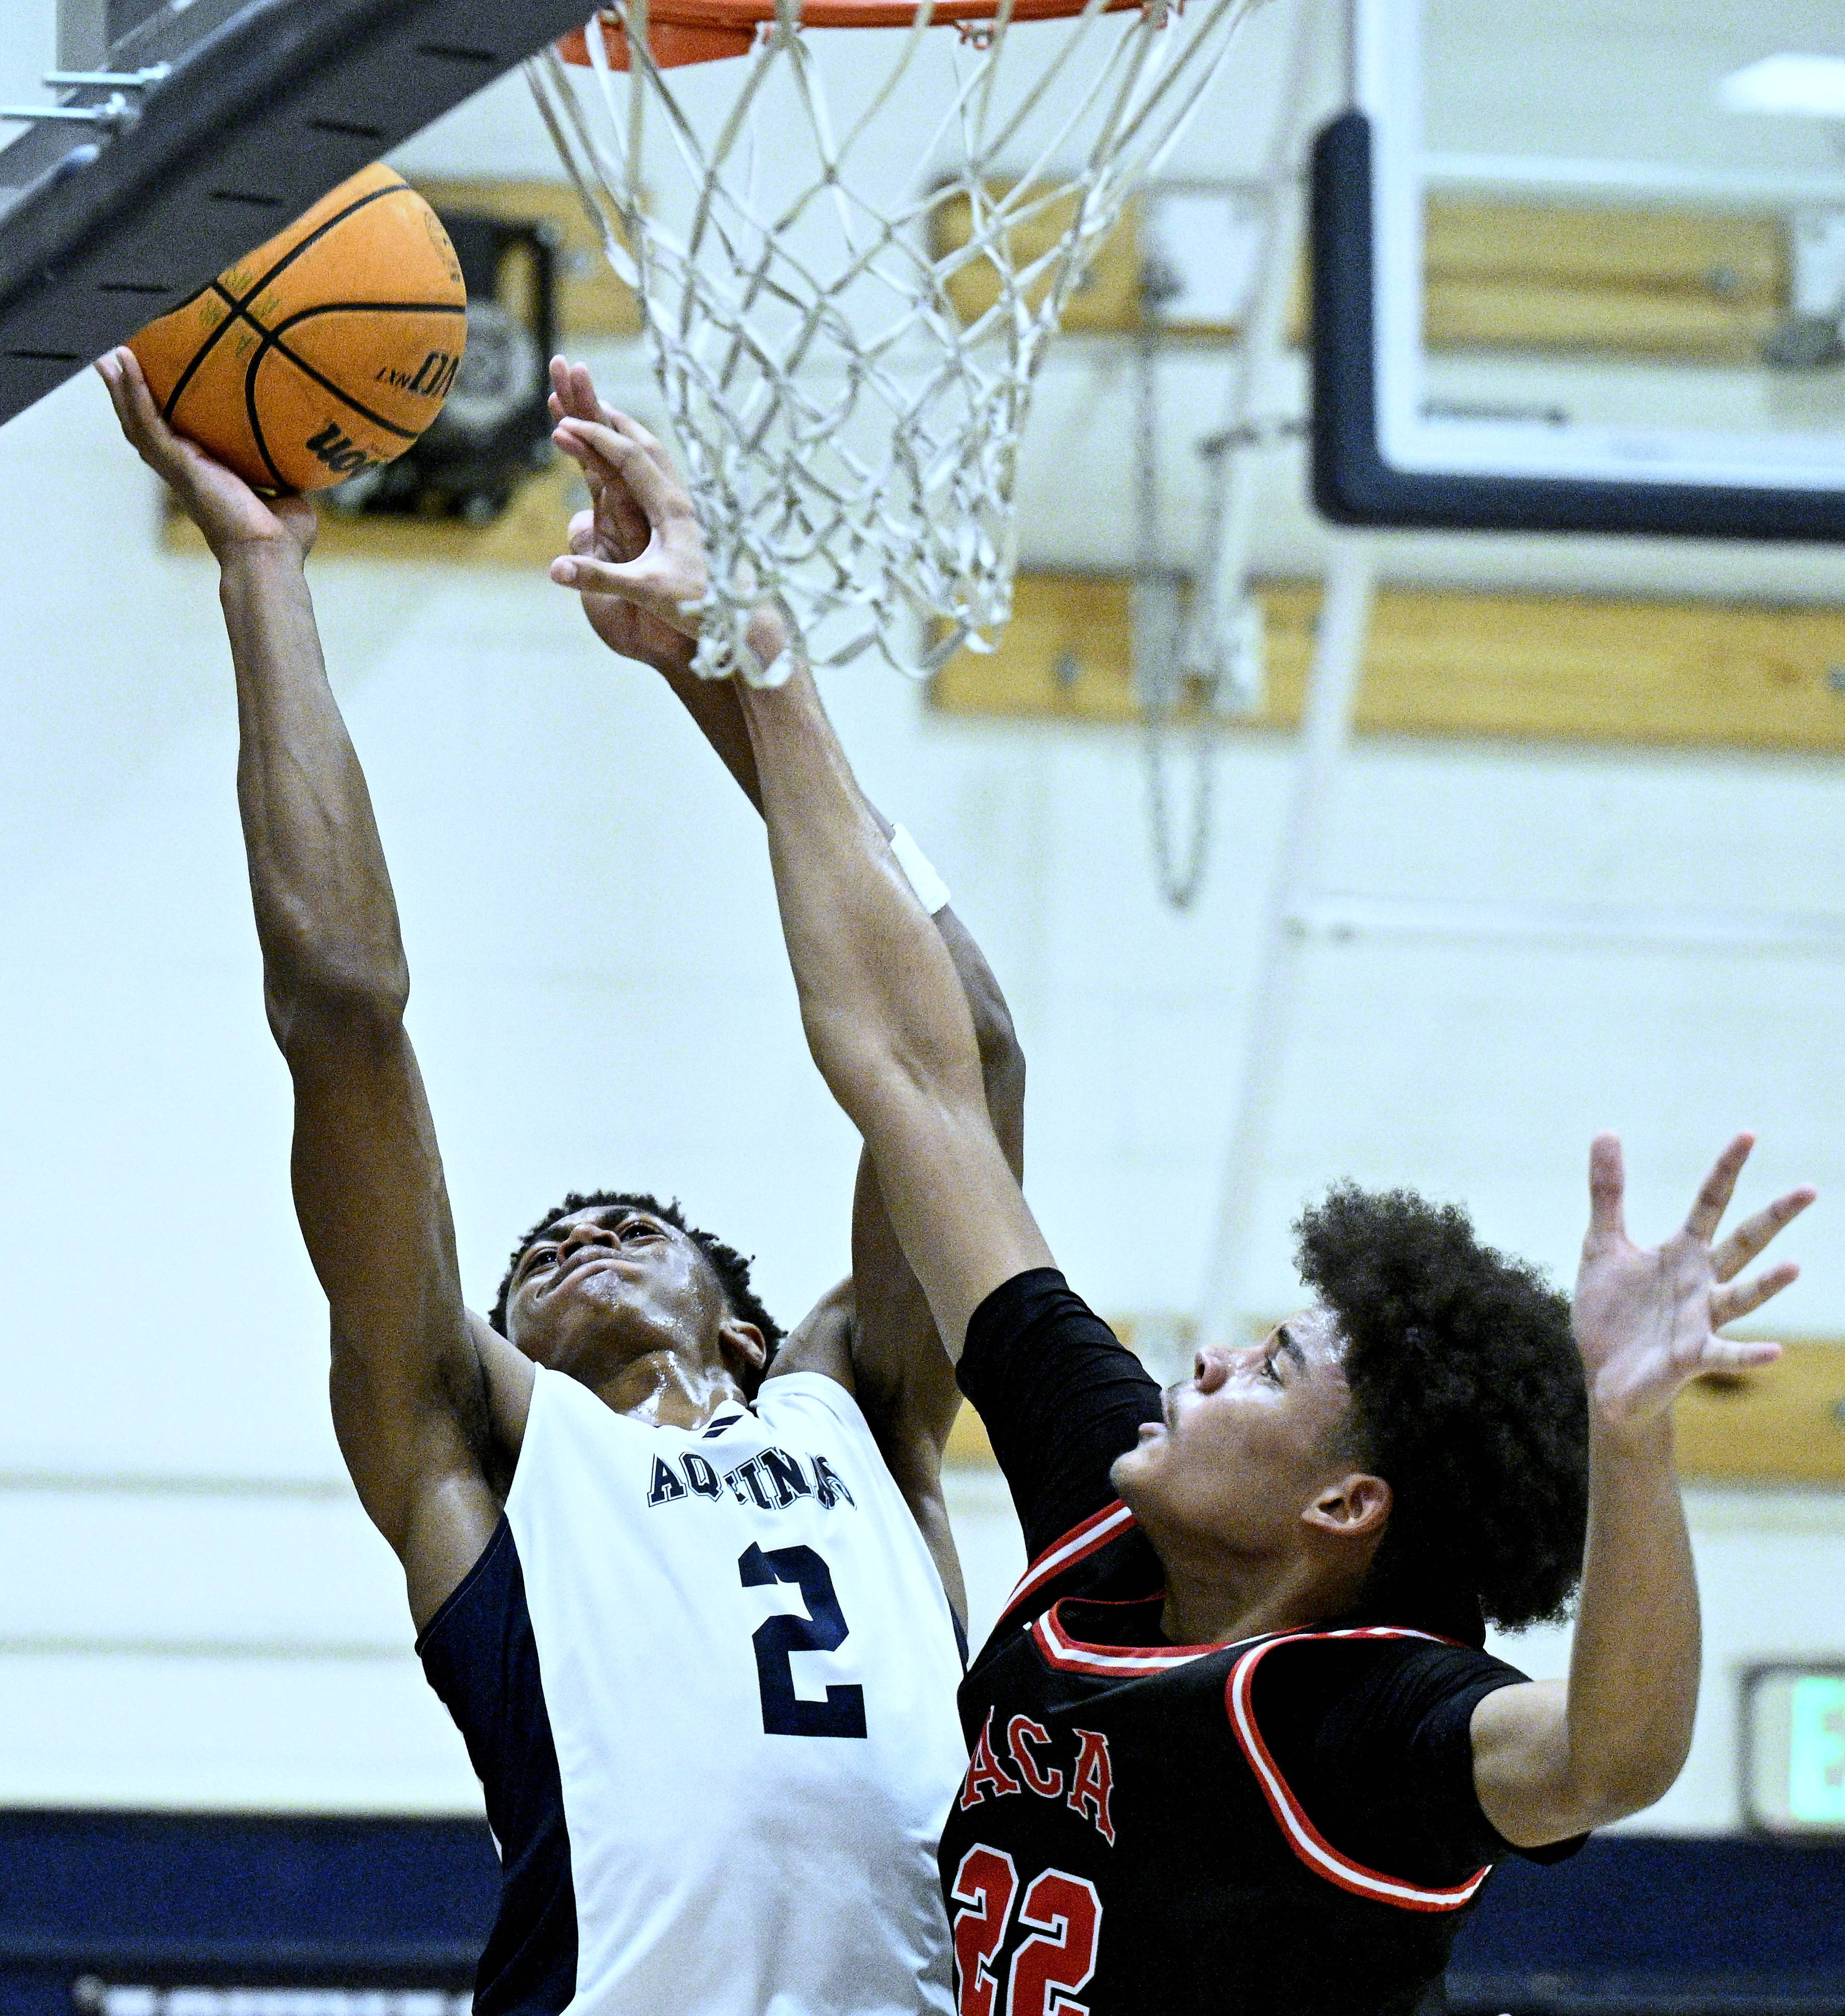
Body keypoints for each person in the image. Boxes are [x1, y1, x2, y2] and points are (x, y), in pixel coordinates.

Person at [542, 395, 1817, 2015]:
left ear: (1347, 1508)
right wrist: (748, 652)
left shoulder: (1357, 1720)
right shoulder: (1112, 1498)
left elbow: (1610, 1757)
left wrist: (1635, 1438)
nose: (1205, 1363)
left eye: (1274, 1369)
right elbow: (919, 1075)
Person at [95, 343, 1026, 2016]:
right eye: (541, 1255)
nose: (585, 1234)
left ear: (750, 1332)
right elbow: (340, 1010)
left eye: (639, 1230)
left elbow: (966, 1043)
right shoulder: (480, 1450)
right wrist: (262, 573)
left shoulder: (862, 1415)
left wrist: (722, 662)